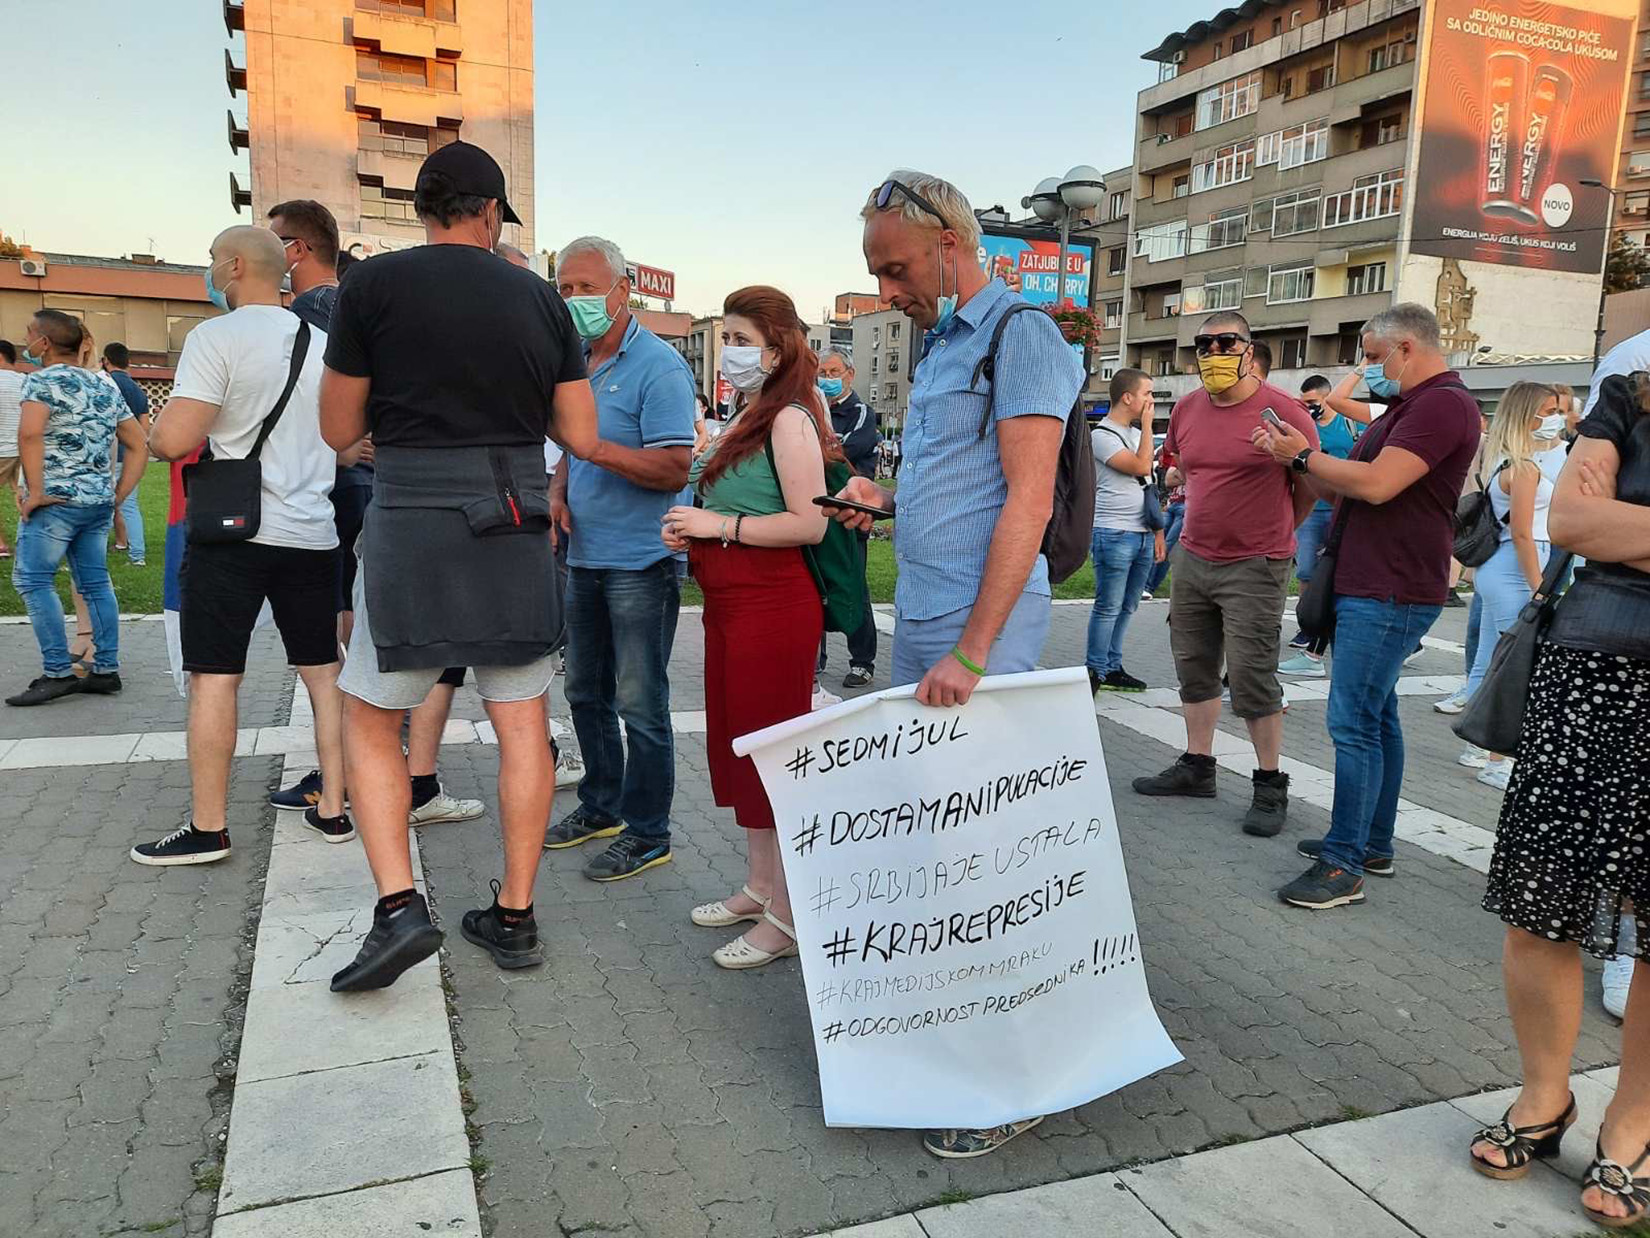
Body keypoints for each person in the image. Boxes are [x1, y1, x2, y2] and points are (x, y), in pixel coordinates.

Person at [826, 170, 1083, 1159]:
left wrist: (975, 651)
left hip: (982, 640)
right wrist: (883, 502)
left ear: (948, 240)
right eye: (878, 274)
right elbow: (961, 486)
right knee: (939, 855)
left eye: (894, 268)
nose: (888, 290)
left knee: (988, 862)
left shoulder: (1023, 336)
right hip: (929, 627)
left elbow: (1023, 501)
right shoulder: (942, 343)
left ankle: (1014, 1077)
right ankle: (962, 1045)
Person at [318, 141, 597, 990]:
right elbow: (579, 437)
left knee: (369, 718)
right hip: (514, 519)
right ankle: (514, 915)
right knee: (522, 723)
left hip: (411, 518)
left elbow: (337, 428)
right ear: (489, 213)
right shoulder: (542, 299)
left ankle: (400, 908)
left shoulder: (371, 285)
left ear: (426, 208)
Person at [1468, 371, 1650, 1229]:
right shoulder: (1631, 395)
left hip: (1603, 652)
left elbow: (1604, 519)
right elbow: (1573, 521)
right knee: (1538, 901)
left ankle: (1633, 1126)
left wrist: (1631, 530)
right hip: (1587, 673)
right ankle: (1546, 1098)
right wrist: (1602, 526)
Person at [129, 227, 347, 867]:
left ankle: (209, 827)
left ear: (231, 266)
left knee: (216, 678)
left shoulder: (215, 338)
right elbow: (345, 438)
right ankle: (334, 805)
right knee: (324, 674)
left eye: (210, 263)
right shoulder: (324, 345)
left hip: (235, 534)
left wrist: (151, 424)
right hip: (314, 531)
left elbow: (175, 439)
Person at [267, 200, 484, 827]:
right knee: (399, 638)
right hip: (399, 492)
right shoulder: (394, 310)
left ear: (299, 248)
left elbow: (337, 414)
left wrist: (348, 443)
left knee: (361, 638)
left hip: (357, 492)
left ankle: (353, 770)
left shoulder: (318, 314)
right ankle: (386, 770)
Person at [1256, 304, 1479, 908]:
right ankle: (1370, 841)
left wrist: (1301, 458)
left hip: (1391, 586)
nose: (1369, 369)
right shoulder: (1410, 406)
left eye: (1375, 358)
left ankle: (1344, 862)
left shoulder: (1440, 404)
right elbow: (1344, 485)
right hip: (1379, 580)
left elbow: (1378, 485)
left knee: (1353, 722)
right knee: (1376, 718)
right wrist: (1298, 453)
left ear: (1408, 347)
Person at [662, 286, 831, 968]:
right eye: (723, 336)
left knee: (775, 760)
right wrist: (697, 533)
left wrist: (717, 526)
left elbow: (811, 523)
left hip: (772, 609)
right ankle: (761, 886)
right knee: (742, 753)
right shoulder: (752, 413)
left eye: (737, 337)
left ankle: (789, 916)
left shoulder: (790, 418)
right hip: (732, 606)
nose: (726, 350)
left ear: (776, 346)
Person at [1131, 311, 1318, 838]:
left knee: (1254, 675)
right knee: (1193, 664)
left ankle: (1269, 782)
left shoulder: (1284, 412)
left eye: (1225, 341)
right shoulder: (1188, 408)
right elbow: (1184, 470)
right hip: (1194, 556)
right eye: (1204, 344)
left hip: (1257, 562)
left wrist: (1277, 531)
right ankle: (1197, 766)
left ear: (1250, 349)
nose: (1214, 351)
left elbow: (1310, 485)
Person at [546, 236, 696, 882]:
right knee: (585, 691)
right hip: (584, 557)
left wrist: (593, 448)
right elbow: (569, 450)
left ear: (622, 289)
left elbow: (673, 467)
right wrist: (558, 487)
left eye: (586, 287)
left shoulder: (659, 366)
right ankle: (601, 805)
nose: (576, 300)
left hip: (641, 562)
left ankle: (648, 831)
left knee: (641, 703)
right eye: (565, 289)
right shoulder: (574, 359)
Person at [6, 312, 145, 706]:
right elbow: (139, 443)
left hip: (55, 501)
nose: (26, 342)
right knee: (95, 583)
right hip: (96, 502)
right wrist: (118, 494)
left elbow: (30, 433)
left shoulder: (40, 380)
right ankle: (105, 668)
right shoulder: (104, 385)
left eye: (29, 335)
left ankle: (57, 671)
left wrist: (34, 492)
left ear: (44, 343)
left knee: (33, 581)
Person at [1454, 383, 1567, 790]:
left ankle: (1477, 747)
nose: (1556, 416)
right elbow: (1522, 532)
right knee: (1514, 667)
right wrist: (1540, 588)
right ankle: (1498, 761)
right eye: (1549, 409)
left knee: (1489, 659)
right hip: (1517, 567)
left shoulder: (1507, 461)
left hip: (1500, 567)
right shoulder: (1523, 466)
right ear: (1527, 415)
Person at [1279, 374, 1361, 676]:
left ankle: (1316, 645)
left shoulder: (1353, 424)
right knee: (1307, 573)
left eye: (1313, 403)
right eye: (1304, 403)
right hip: (1314, 507)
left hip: (1343, 508)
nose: (1308, 408)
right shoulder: (1305, 428)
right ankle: (1309, 627)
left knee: (1334, 577)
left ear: (1327, 398)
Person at [1087, 367, 1163, 692]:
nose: (1151, 401)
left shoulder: (1135, 436)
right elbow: (1141, 466)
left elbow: (1150, 482)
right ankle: (1093, 670)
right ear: (1127, 397)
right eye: (1147, 394)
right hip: (1113, 532)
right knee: (1108, 605)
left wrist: (1159, 533)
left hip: (1143, 532)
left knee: (1129, 605)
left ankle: (1113, 665)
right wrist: (1147, 426)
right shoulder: (1101, 436)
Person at [816, 344, 879, 688]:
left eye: (833, 372)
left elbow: (842, 453)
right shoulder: (810, 412)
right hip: (819, 512)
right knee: (816, 584)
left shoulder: (860, 413)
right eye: (822, 374)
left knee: (854, 583)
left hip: (854, 514)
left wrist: (813, 447)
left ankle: (862, 661)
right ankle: (816, 657)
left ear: (850, 375)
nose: (826, 380)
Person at [101, 343, 150, 565]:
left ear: (106, 360)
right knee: (130, 506)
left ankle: (95, 553)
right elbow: (144, 428)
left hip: (107, 454)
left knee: (100, 504)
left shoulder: (103, 384)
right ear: (128, 362)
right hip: (131, 454)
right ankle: (137, 555)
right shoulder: (137, 389)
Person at [1144, 438, 1183, 597]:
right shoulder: (1180, 454)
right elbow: (1168, 480)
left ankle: (1148, 587)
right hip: (1172, 503)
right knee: (1157, 542)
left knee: (1167, 545)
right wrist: (1189, 475)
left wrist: (1182, 475)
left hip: (1187, 505)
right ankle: (1144, 583)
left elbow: (1200, 478)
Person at [0, 340, 24, 559]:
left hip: (2, 449)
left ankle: (0, 545)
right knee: (25, 495)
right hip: (26, 448)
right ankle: (31, 542)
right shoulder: (27, 381)